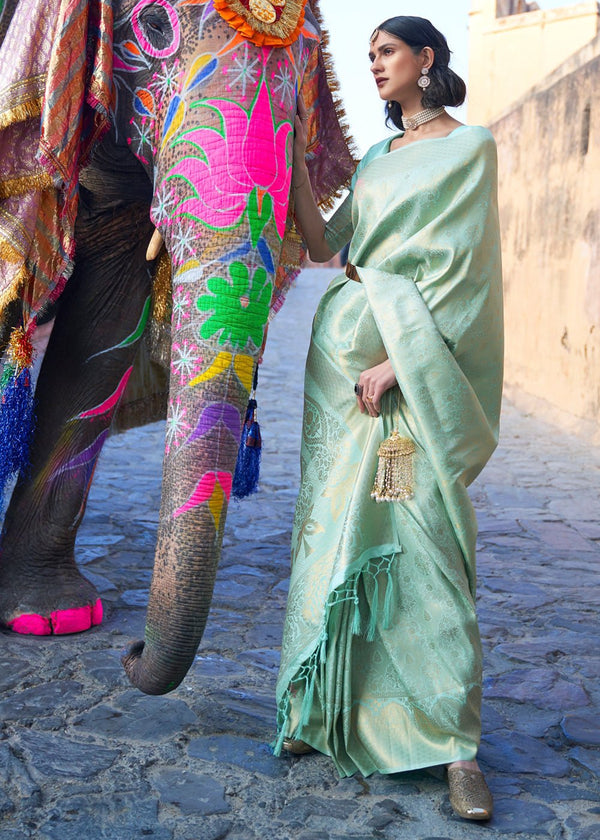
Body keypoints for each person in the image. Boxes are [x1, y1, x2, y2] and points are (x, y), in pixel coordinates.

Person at [274, 16, 503, 822]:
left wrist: (401, 362)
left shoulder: (470, 150)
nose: (374, 64)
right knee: (337, 530)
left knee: (425, 539)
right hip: (338, 377)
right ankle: (320, 706)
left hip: (404, 384)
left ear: (426, 59)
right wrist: (295, 160)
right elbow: (321, 247)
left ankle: (454, 745)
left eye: (387, 52)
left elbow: (466, 279)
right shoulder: (374, 159)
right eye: (368, 54)